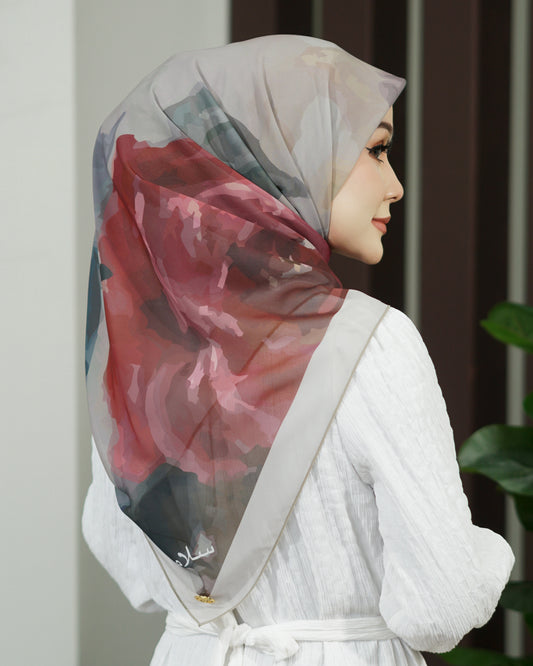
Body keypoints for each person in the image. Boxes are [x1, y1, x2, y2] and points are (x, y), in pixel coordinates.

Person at [83, 34, 514, 665]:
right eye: (376, 150)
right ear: (286, 162)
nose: (395, 185)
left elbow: (121, 554)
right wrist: (488, 554)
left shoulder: (148, 346)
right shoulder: (370, 343)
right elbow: (440, 608)